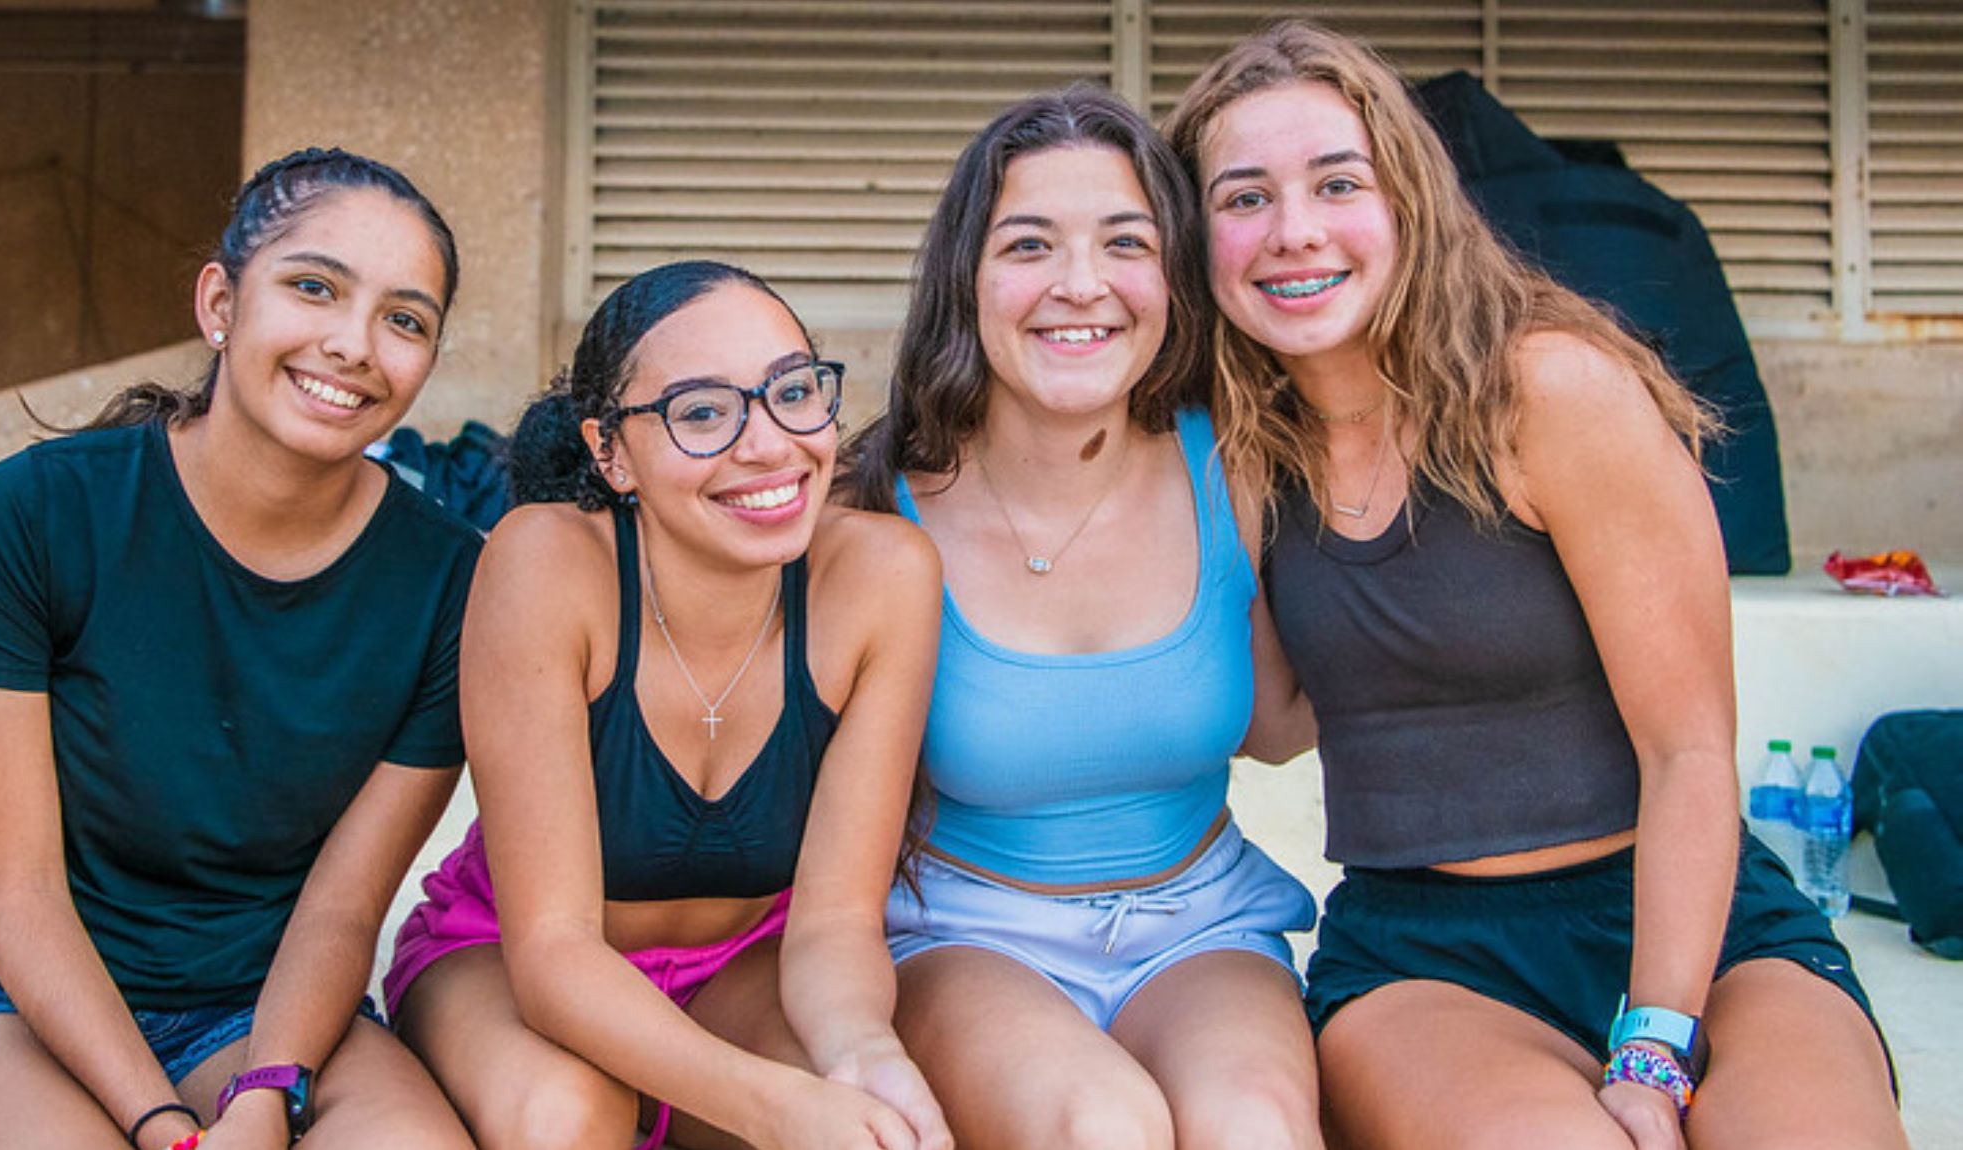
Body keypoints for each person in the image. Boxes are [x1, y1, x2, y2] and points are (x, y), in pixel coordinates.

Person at [1164, 20, 1906, 1150]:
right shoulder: (1241, 452)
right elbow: (1269, 729)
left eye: (1335, 182)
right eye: (1243, 198)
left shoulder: (1546, 390)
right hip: (1422, 957)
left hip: (1688, 917)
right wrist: (1236, 493)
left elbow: (1689, 750)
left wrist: (1652, 1052)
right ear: (1194, 237)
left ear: (1408, 199)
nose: (1293, 230)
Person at [0, 148, 479, 1150]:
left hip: (265, 1014)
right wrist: (159, 1123)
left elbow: (343, 902)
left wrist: (266, 1094)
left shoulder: (450, 581)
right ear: (220, 302)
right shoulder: (38, 512)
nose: (354, 344)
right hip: (2, 1002)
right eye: (312, 287)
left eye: (404, 319)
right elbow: (17, 894)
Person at [839, 87, 1322, 1150]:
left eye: (1124, 242)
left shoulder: (1234, 464)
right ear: (963, 281)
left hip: (1200, 921)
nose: (1079, 285)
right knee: (1099, 1126)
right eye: (1027, 245)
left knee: (1254, 1130)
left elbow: (1279, 725)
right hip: (963, 932)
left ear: (1174, 277)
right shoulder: (872, 504)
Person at [386, 260, 953, 1150]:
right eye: (701, 412)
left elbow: (836, 922)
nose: (768, 445)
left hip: (748, 964)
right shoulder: (544, 564)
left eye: (794, 392)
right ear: (612, 451)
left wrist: (862, 1055)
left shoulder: (885, 574)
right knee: (566, 1119)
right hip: (507, 956)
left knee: (871, 1117)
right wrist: (776, 1109)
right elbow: (554, 954)